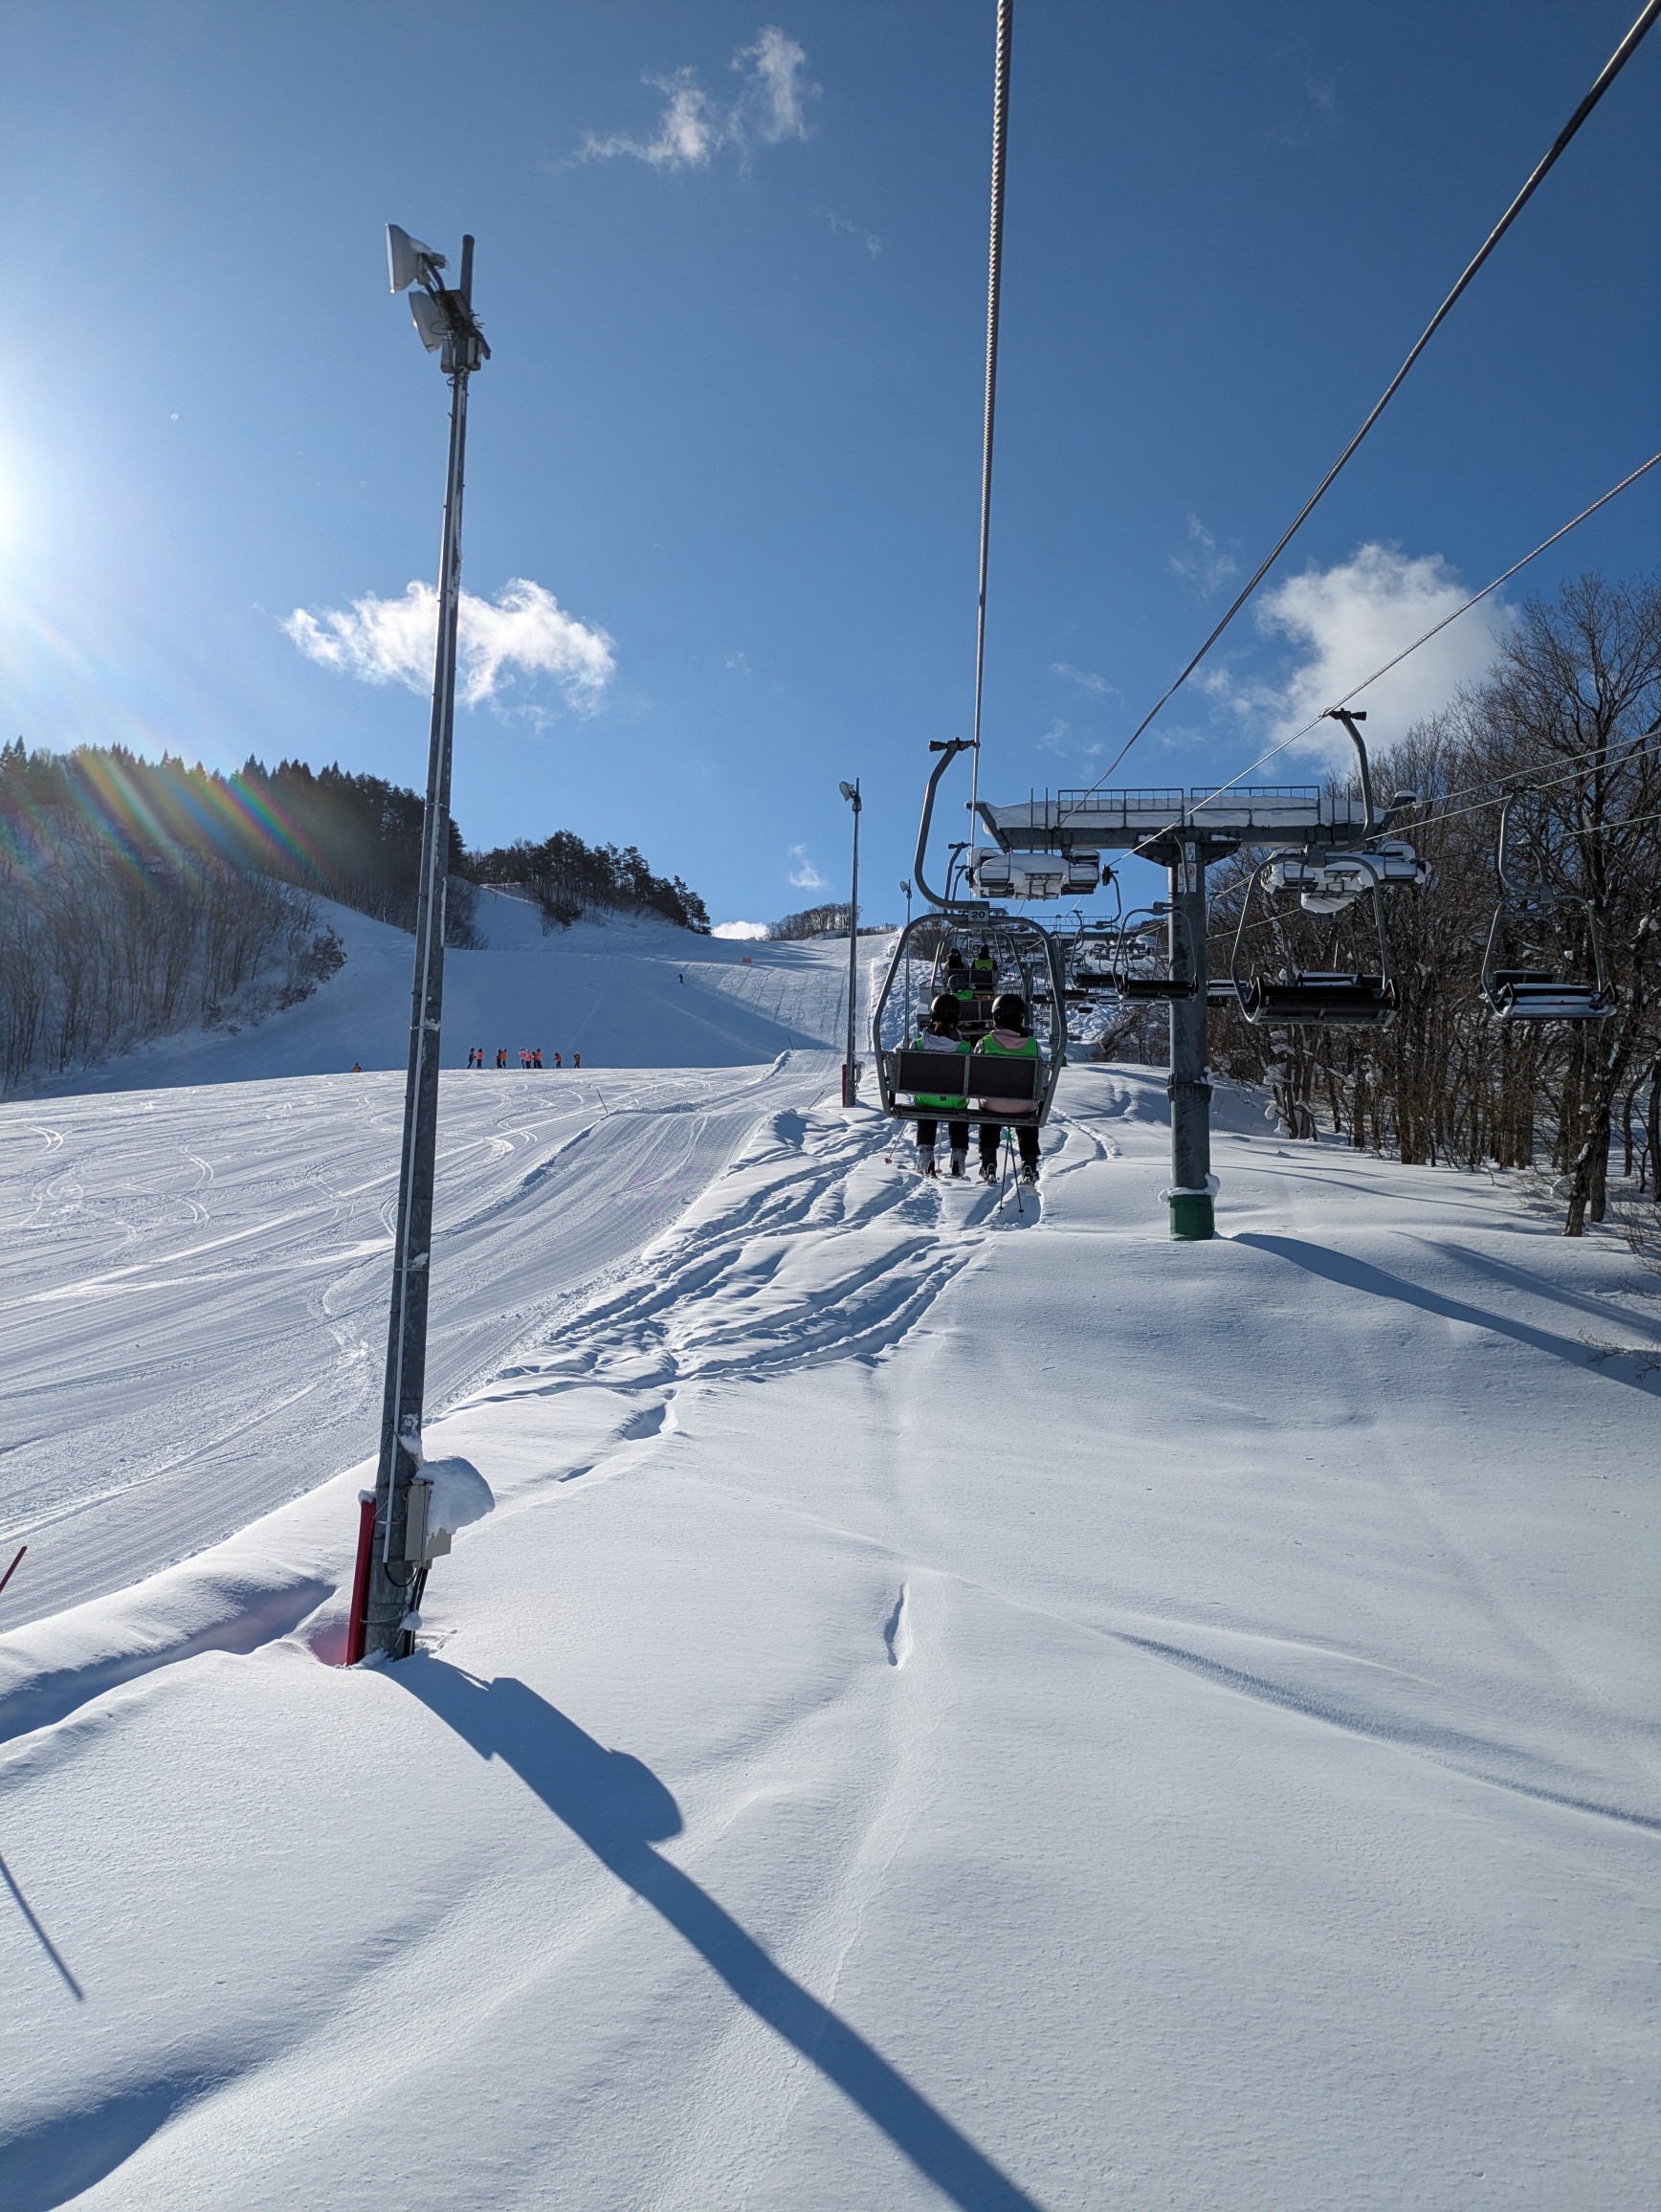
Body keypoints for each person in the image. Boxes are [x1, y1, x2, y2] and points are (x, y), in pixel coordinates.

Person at [972, 991, 1042, 1184]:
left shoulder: (984, 1043)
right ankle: (1029, 1164)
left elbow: (974, 1077)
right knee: (1027, 1119)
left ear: (996, 1017)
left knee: (987, 1112)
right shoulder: (1033, 1045)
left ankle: (989, 1164)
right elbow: (1040, 1078)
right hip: (1024, 1106)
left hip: (993, 1105)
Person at [909, 992, 970, 1178]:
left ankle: (926, 1156)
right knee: (960, 1110)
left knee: (925, 1107)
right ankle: (958, 1157)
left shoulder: (918, 1045)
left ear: (932, 1016)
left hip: (927, 1100)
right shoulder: (965, 1049)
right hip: (954, 1102)